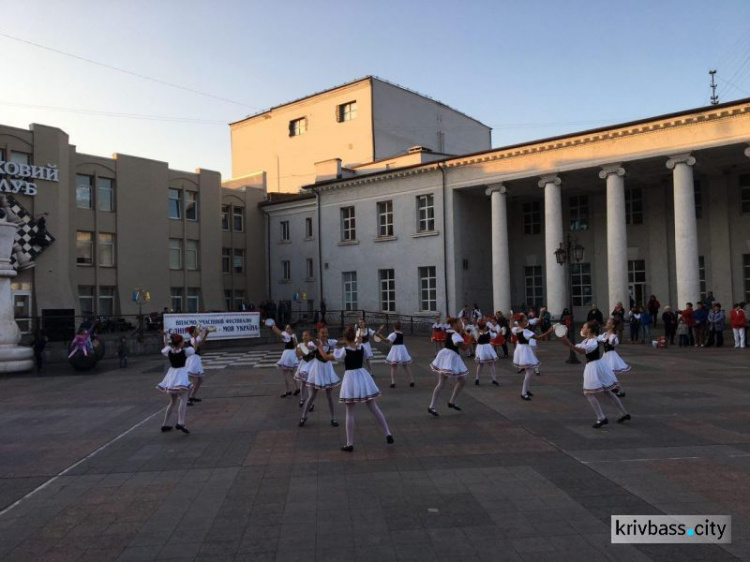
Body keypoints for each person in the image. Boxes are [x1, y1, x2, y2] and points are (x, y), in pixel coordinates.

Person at [559, 321, 630, 428]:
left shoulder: (593, 341)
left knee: (588, 393)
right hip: (598, 365)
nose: (582, 328)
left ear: (590, 330)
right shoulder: (588, 340)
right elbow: (580, 348)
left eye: (584, 327)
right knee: (607, 391)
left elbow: (582, 351)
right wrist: (568, 342)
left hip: (593, 366)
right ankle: (623, 413)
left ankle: (601, 417)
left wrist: (569, 344)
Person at [335, 326, 394, 452]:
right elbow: (365, 357)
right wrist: (358, 343)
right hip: (362, 375)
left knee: (350, 411)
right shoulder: (362, 347)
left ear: (345, 338)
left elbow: (338, 358)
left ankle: (349, 443)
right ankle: (387, 433)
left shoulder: (344, 350)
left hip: (350, 377)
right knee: (373, 406)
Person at [299, 326, 340, 428]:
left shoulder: (330, 342)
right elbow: (307, 346)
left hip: (327, 370)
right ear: (318, 334)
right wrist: (306, 342)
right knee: (312, 396)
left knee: (329, 396)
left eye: (326, 333)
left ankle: (333, 418)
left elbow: (340, 342)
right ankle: (303, 416)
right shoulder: (316, 343)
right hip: (317, 370)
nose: (324, 335)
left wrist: (351, 340)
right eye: (322, 333)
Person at [428, 317, 469, 415]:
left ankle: (447, 403)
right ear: (454, 324)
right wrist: (471, 338)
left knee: (458, 381)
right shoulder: (454, 335)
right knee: (447, 383)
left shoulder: (450, 332)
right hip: (450, 358)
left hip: (445, 356)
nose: (461, 324)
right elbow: (464, 348)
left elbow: (457, 337)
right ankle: (435, 405)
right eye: (459, 323)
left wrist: (462, 333)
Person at [157, 332, 193, 434]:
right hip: (180, 376)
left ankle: (164, 424)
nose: (183, 343)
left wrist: (165, 336)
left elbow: (166, 345)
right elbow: (194, 349)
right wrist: (194, 337)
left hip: (171, 376)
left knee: (172, 402)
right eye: (182, 341)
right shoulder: (185, 351)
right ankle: (181, 422)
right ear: (181, 342)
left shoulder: (169, 351)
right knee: (183, 399)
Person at [512, 314, 552, 401]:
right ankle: (523, 393)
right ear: (520, 322)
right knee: (529, 373)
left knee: (529, 372)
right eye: (525, 320)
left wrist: (511, 319)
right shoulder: (525, 331)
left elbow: (511, 327)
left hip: (521, 349)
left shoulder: (516, 329)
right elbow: (538, 338)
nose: (527, 322)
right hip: (525, 351)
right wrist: (549, 332)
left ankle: (526, 390)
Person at [378, 322, 414, 388]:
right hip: (402, 348)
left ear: (394, 327)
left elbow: (387, 341)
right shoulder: (401, 333)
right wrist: (382, 338)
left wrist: (381, 337)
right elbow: (388, 340)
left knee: (393, 366)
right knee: (405, 365)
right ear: (400, 327)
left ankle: (393, 382)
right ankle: (412, 380)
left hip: (395, 349)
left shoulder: (393, 334)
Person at [599, 319, 629, 397]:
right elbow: (598, 338)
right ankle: (613, 387)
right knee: (606, 373)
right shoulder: (604, 334)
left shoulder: (613, 336)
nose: (607, 324)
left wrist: (612, 342)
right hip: (605, 355)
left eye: (609, 323)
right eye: (607, 322)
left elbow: (614, 344)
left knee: (610, 374)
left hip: (611, 356)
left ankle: (621, 390)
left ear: (612, 326)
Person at [271, 323, 301, 398]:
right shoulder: (294, 335)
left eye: (288, 328)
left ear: (291, 329)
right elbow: (296, 345)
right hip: (292, 354)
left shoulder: (288, 335)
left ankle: (288, 390)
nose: (286, 329)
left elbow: (280, 333)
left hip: (288, 354)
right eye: (286, 328)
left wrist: (274, 326)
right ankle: (297, 388)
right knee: (292, 373)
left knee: (285, 374)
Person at [185, 326, 210, 405]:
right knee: (195, 381)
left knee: (200, 380)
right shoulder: (193, 339)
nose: (198, 331)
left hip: (196, 359)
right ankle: (186, 399)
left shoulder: (196, 338)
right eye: (196, 330)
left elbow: (201, 343)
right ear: (193, 332)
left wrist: (205, 335)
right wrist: (196, 338)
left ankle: (192, 396)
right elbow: (195, 349)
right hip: (193, 360)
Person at [294, 330, 317, 409]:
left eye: (306, 335)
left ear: (310, 337)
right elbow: (298, 355)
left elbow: (312, 348)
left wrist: (302, 347)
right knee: (303, 383)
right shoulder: (300, 345)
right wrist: (297, 349)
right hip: (304, 364)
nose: (305, 337)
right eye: (303, 335)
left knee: (310, 385)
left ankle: (311, 403)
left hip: (312, 364)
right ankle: (302, 399)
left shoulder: (312, 344)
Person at [473, 320, 499, 386]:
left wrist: (493, 331)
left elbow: (494, 335)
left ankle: (492, 379)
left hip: (483, 348)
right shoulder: (478, 333)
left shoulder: (486, 332)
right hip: (484, 348)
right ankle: (478, 378)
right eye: (485, 326)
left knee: (485, 364)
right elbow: (494, 335)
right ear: (483, 327)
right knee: (486, 364)